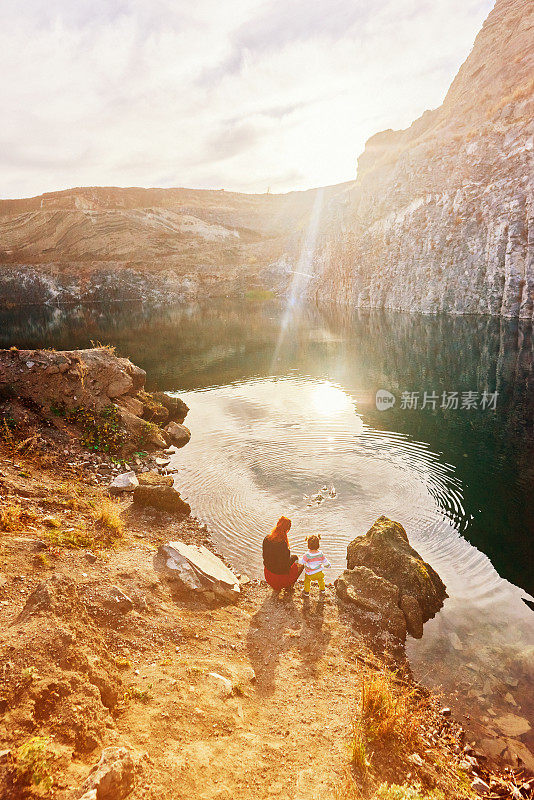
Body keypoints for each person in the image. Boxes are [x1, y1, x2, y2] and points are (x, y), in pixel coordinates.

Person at [262, 516, 304, 591]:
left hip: (268, 576)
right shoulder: (283, 545)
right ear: (287, 530)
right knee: (300, 562)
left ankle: (278, 587)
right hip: (279, 580)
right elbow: (285, 566)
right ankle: (289, 586)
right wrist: (294, 558)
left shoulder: (266, 539)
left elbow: (264, 557)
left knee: (290, 559)